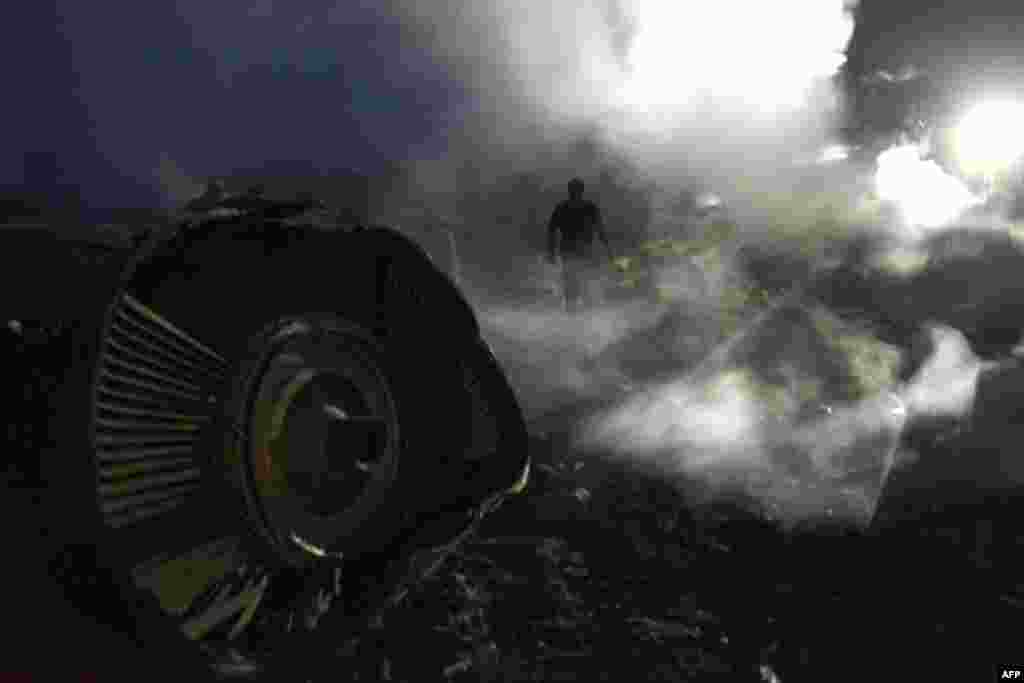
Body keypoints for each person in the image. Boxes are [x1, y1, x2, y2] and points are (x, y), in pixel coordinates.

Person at [547, 177, 614, 313]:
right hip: (579, 250)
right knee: (578, 279)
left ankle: (575, 308)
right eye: (574, 190)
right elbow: (600, 230)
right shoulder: (588, 207)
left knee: (574, 280)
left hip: (573, 249)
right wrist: (608, 250)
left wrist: (551, 252)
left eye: (575, 190)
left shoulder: (563, 207)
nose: (574, 192)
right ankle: (578, 308)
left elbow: (551, 231)